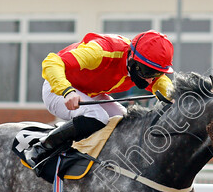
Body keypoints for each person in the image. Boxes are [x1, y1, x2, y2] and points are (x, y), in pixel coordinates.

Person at [24, 30, 175, 168]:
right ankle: (42, 147)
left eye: (156, 73)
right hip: (57, 89)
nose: (150, 80)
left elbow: (161, 83)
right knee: (97, 116)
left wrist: (174, 97)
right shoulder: (101, 51)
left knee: (124, 121)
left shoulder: (140, 65)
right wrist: (67, 91)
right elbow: (52, 62)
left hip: (90, 93)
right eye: (148, 72)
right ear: (132, 59)